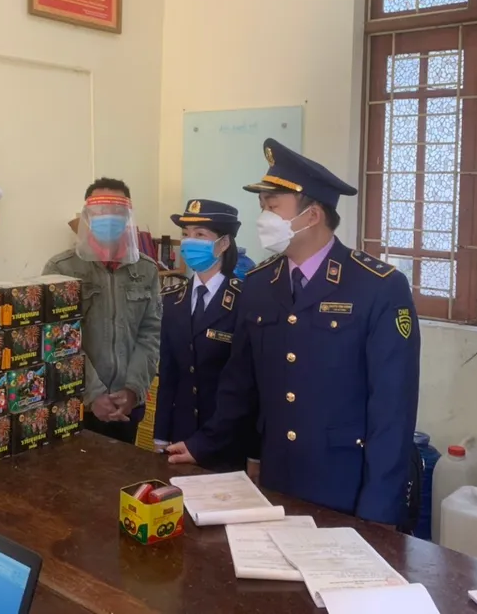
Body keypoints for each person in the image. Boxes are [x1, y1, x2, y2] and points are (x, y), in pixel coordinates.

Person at [167, 139, 420, 528]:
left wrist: (379, 513)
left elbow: (393, 413)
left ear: (312, 215)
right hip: (278, 480)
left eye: (272, 207)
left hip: (346, 488)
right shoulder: (259, 283)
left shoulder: (377, 287)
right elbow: (240, 385)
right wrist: (204, 444)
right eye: (262, 207)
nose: (263, 217)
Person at [43, 178, 161, 444]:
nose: (108, 218)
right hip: (77, 403)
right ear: (88, 216)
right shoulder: (61, 268)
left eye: (117, 212)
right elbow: (59, 339)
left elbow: (150, 333)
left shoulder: (146, 269)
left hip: (126, 404)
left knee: (124, 466)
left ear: (127, 217)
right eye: (100, 211)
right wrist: (93, 394)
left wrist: (133, 390)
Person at [153, 200, 259, 473]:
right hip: (180, 435)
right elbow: (168, 375)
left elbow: (250, 386)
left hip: (227, 439)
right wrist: (160, 434)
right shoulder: (173, 299)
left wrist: (255, 453)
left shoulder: (245, 300)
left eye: (200, 235)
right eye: (185, 234)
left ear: (223, 243)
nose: (189, 242)